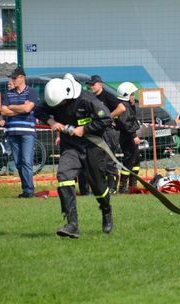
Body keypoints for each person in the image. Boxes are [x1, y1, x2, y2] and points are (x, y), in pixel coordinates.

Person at [36, 74, 114, 238]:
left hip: (92, 146)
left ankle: (106, 210)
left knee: (98, 187)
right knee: (63, 176)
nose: (60, 107)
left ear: (68, 95)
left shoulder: (88, 100)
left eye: (61, 104)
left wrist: (84, 129)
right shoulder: (55, 98)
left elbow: (106, 119)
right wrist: (52, 123)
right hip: (70, 146)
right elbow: (39, 110)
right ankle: (72, 224)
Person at [0, 67, 38, 198]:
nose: (13, 80)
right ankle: (26, 189)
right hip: (12, 132)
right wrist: (20, 108)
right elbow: (4, 111)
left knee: (26, 161)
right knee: (18, 163)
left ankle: (29, 190)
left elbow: (28, 108)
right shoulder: (7, 94)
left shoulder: (32, 92)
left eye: (15, 78)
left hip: (27, 132)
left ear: (22, 78)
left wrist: (12, 107)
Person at [86, 75, 126, 194]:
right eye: (89, 85)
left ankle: (112, 187)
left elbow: (122, 108)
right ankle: (103, 187)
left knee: (109, 159)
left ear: (100, 84)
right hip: (96, 131)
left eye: (93, 84)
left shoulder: (107, 96)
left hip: (107, 132)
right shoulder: (90, 98)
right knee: (98, 160)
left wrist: (108, 117)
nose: (91, 86)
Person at [115, 82, 141, 194]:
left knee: (135, 161)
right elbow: (126, 123)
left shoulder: (129, 106)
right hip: (128, 137)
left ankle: (132, 185)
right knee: (129, 161)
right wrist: (134, 136)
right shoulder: (124, 106)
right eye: (131, 94)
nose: (133, 97)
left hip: (129, 135)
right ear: (126, 95)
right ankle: (123, 187)